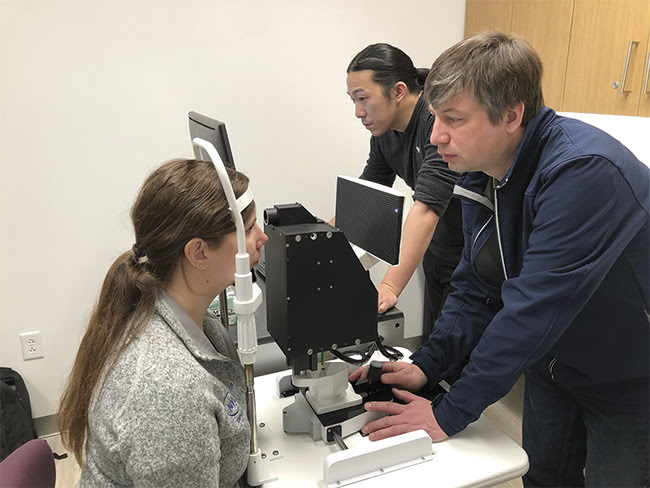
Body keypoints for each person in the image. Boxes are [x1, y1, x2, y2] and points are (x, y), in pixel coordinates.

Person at [350, 32, 649, 487]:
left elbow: (532, 310)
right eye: (434, 118)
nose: (435, 137)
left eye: (453, 119)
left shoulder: (582, 171)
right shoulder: (478, 168)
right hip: (553, 360)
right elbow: (476, 284)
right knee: (543, 475)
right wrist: (428, 364)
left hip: (626, 375)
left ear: (511, 115)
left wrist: (448, 413)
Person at [57, 159, 268, 487]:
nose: (262, 237)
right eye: (249, 228)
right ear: (199, 253)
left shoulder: (188, 321)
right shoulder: (168, 394)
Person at [345, 43, 464, 331]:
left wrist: (389, 286)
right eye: (353, 101)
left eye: (363, 98)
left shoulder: (435, 122)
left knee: (459, 352)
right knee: (438, 346)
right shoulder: (384, 133)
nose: (359, 112)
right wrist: (318, 240)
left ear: (398, 91)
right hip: (437, 250)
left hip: (468, 256)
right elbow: (367, 197)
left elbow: (426, 209)